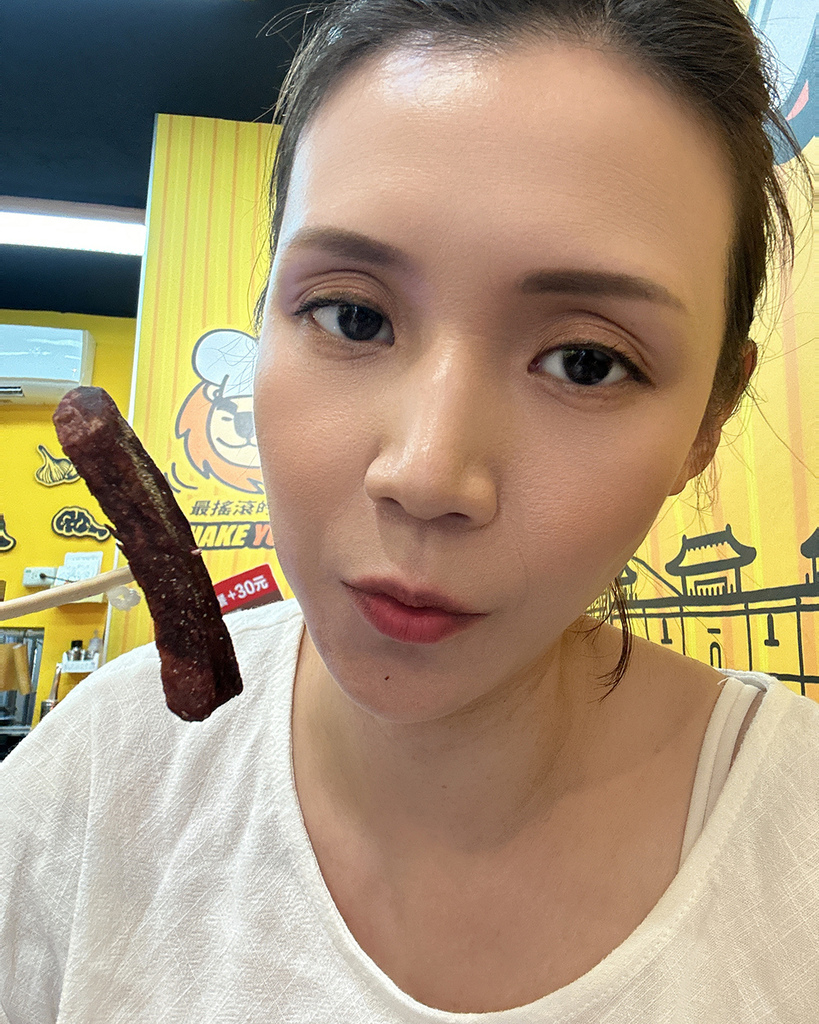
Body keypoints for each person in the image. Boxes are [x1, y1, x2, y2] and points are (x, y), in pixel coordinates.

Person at [1, 1, 816, 1020]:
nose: (427, 475)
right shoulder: (92, 778)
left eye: (586, 361)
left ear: (709, 418)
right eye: (353, 316)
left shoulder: (797, 846)